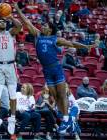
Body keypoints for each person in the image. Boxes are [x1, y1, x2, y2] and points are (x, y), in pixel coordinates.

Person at [14, 2, 92, 134]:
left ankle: (66, 120)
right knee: (55, 96)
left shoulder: (55, 39)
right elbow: (27, 22)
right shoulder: (38, 34)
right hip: (46, 70)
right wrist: (17, 10)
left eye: (45, 25)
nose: (42, 26)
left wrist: (85, 47)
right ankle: (67, 120)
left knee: (62, 95)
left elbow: (71, 43)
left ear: (49, 29)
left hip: (56, 68)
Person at [0, 4, 22, 138]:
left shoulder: (11, 33)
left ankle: (12, 119)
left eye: (4, 21)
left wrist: (9, 16)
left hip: (10, 66)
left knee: (13, 94)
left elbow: (19, 26)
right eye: (0, 21)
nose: (2, 22)